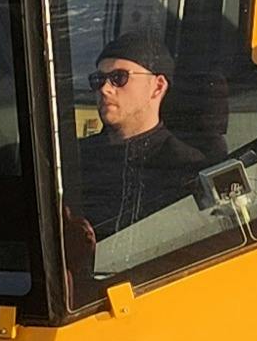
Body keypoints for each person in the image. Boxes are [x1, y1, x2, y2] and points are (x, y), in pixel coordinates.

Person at [64, 23, 224, 249]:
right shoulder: (71, 159)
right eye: (98, 80)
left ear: (157, 87)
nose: (104, 89)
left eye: (119, 78)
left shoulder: (186, 169)